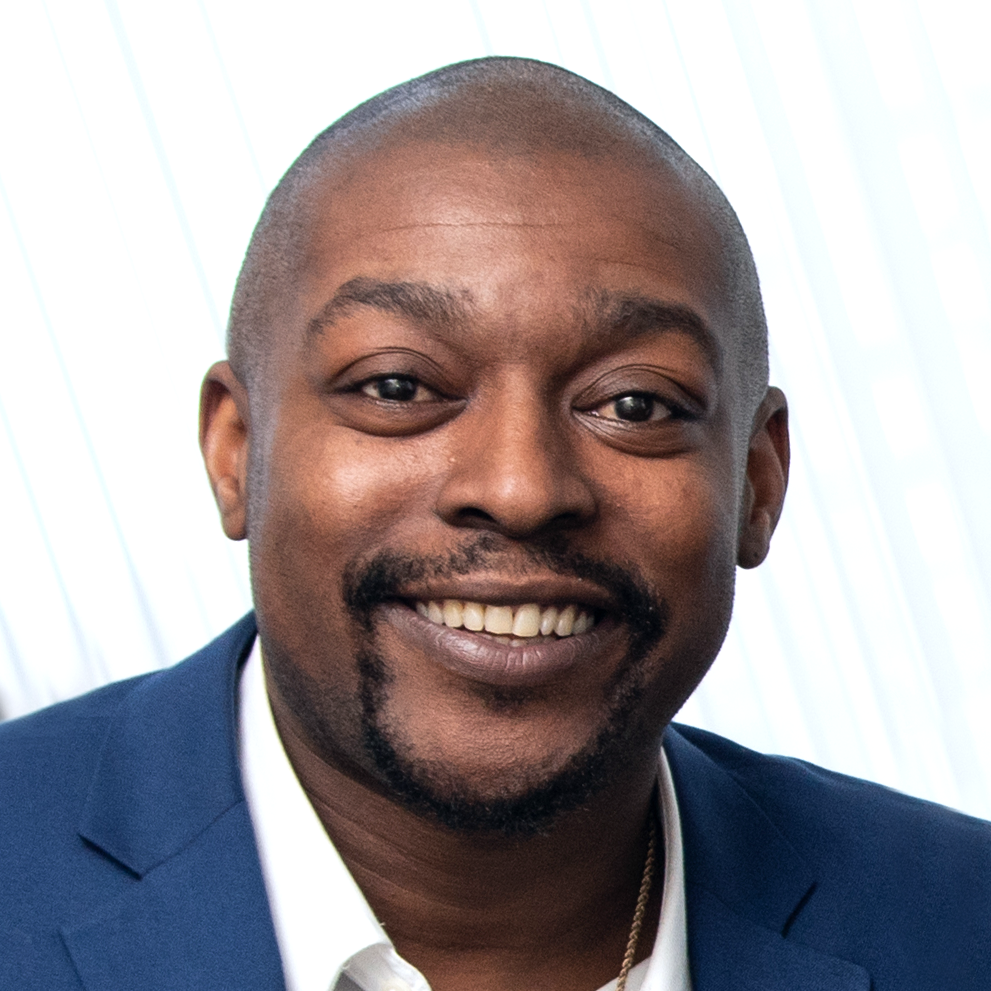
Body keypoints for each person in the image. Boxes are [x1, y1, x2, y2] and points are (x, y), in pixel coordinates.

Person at [1, 56, 989, 991]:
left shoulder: (959, 922)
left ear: (758, 481)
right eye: (397, 387)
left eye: (635, 404)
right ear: (235, 451)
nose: (520, 489)